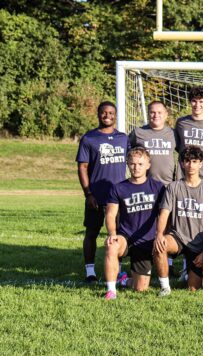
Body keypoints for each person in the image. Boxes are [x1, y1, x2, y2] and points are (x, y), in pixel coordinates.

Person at [153, 146, 203, 295]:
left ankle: (190, 272)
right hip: (177, 238)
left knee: (194, 290)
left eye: (194, 161)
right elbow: (164, 214)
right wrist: (159, 235)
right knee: (160, 246)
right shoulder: (173, 187)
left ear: (201, 164)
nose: (191, 165)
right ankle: (165, 287)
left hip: (198, 243)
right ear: (182, 163)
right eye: (187, 161)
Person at [76, 101, 128, 283]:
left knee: (118, 234)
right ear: (98, 115)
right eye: (104, 113)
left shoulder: (123, 138)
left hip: (118, 198)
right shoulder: (89, 138)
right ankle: (90, 271)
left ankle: (119, 270)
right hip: (96, 196)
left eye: (111, 113)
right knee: (92, 232)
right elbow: (82, 167)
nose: (107, 116)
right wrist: (88, 193)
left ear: (115, 115)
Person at [102, 147, 164, 299]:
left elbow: (164, 214)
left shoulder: (158, 187)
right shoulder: (119, 188)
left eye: (140, 164)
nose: (136, 167)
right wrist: (112, 234)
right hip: (126, 238)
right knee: (112, 246)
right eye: (132, 164)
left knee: (141, 288)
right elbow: (110, 215)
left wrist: (160, 234)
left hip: (146, 241)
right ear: (128, 164)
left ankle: (124, 280)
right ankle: (111, 291)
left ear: (148, 165)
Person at [175, 87, 203, 185]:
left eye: (201, 101)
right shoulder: (181, 123)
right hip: (183, 174)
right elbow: (178, 146)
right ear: (190, 102)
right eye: (194, 101)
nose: (197, 105)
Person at [128, 101, 176, 185]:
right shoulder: (138, 133)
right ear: (148, 114)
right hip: (145, 185)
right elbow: (126, 152)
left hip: (168, 185)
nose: (156, 115)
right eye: (152, 112)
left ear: (166, 114)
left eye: (159, 112)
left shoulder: (173, 133)